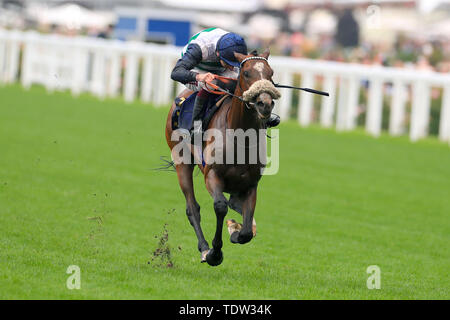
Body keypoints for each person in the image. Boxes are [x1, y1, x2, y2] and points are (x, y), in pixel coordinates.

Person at [170, 27, 280, 137]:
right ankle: (196, 125)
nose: (232, 68)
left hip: (220, 66)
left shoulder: (236, 45)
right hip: (196, 69)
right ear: (217, 53)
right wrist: (200, 77)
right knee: (212, 84)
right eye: (229, 63)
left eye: (233, 64)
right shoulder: (200, 48)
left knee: (240, 83)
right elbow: (176, 73)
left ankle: (260, 114)